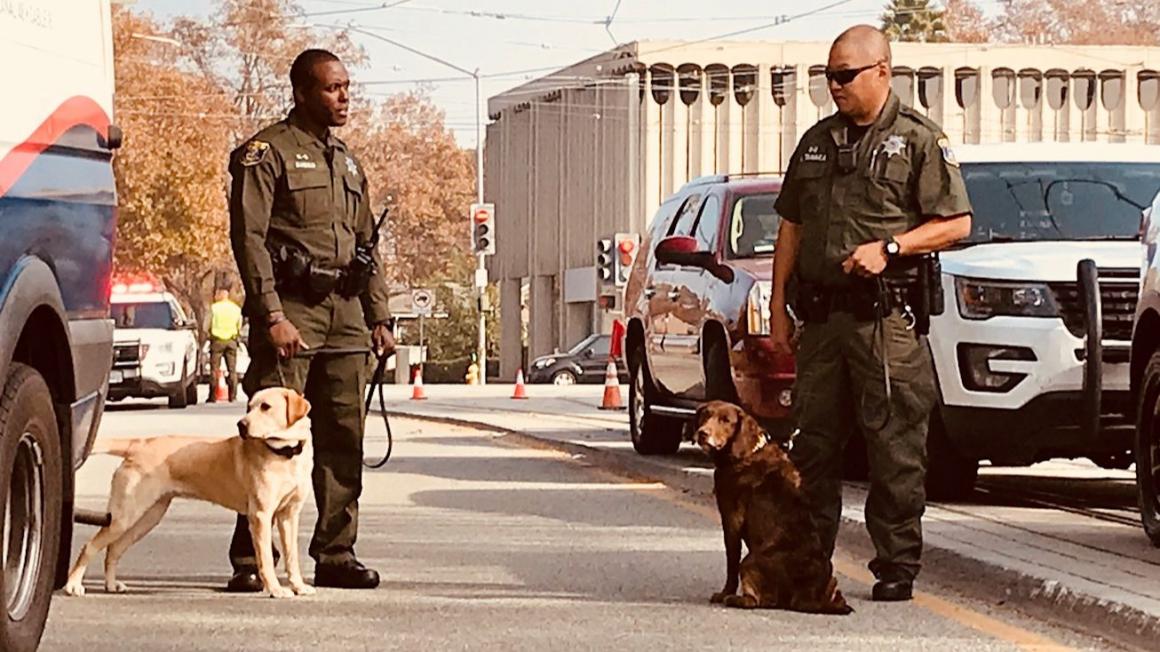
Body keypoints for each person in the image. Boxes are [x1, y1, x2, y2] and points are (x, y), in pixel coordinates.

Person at [769, 25, 972, 602]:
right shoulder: (815, 143)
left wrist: (891, 249)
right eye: (828, 75)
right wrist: (781, 314)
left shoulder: (917, 140)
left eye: (844, 75)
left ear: (882, 71)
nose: (833, 85)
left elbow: (957, 223)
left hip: (885, 321)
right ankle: (808, 562)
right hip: (822, 322)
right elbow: (791, 228)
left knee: (896, 446)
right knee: (812, 446)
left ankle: (895, 565)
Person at [226, 48, 395, 592]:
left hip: (345, 313)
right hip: (292, 308)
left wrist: (379, 316)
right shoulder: (266, 153)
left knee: (345, 436)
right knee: (270, 438)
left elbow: (368, 246)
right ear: (301, 92)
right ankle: (253, 561)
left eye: (347, 87)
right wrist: (271, 313)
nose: (344, 96)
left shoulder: (348, 162)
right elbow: (249, 239)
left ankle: (335, 553)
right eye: (332, 88)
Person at [207, 288, 243, 402]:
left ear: (219, 296)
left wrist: (209, 334)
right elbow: (239, 324)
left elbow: (206, 324)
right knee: (232, 370)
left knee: (214, 370)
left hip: (217, 341)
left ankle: (212, 396)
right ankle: (233, 396)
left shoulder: (214, 308)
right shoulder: (236, 309)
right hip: (231, 341)